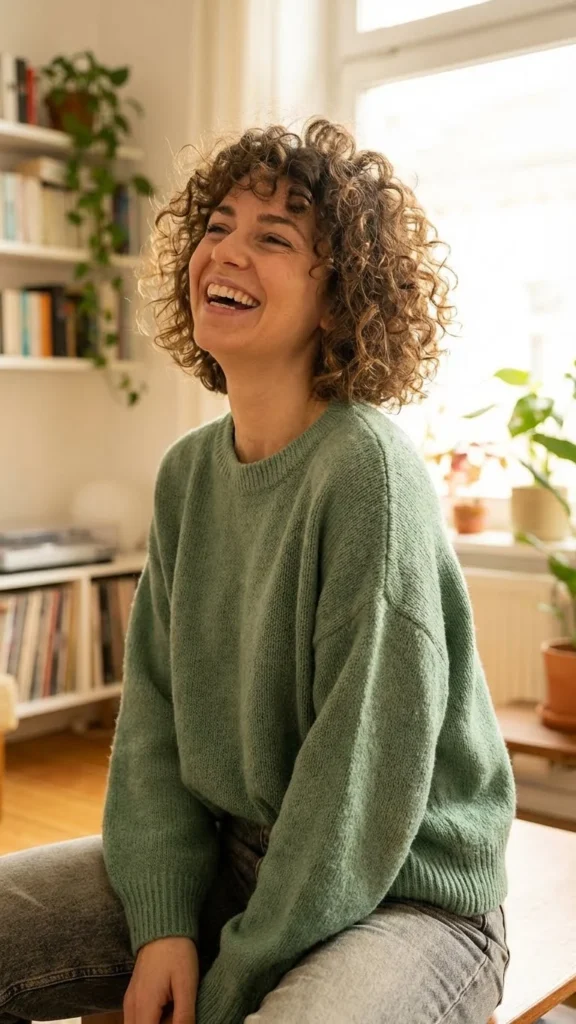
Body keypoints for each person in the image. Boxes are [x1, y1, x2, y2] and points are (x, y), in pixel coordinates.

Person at [0, 118, 515, 1024]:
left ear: (339, 299)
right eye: (217, 226)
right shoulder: (187, 474)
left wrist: (230, 985)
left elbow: (353, 804)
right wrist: (163, 923)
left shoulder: (369, 476)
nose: (225, 251)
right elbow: (152, 718)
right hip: (232, 858)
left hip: (406, 893)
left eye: (274, 237)